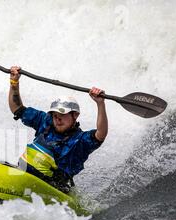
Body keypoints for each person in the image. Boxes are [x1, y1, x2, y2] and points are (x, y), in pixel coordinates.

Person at [8, 65, 108, 193]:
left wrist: (100, 103)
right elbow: (17, 109)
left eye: (62, 114)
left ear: (75, 115)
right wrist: (14, 82)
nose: (57, 118)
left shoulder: (80, 141)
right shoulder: (45, 121)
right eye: (55, 115)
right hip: (23, 175)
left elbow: (101, 134)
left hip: (51, 190)